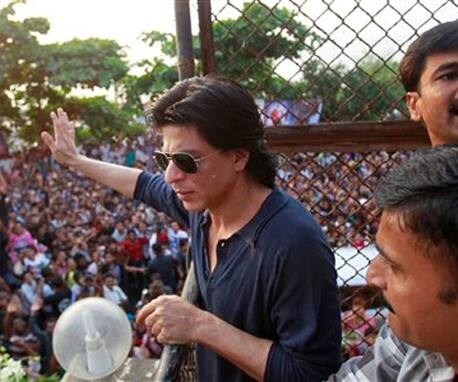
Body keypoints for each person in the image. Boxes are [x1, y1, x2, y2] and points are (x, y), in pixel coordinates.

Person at [42, 75, 341, 381]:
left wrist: (200, 325)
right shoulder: (205, 208)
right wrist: (75, 161)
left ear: (238, 157)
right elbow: (143, 184)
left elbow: (309, 372)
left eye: (186, 160)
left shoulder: (293, 244)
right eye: (165, 159)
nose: (172, 176)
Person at [329, 21, 458, 381]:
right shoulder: (409, 207)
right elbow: (383, 366)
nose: (374, 275)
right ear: (414, 104)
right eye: (450, 75)